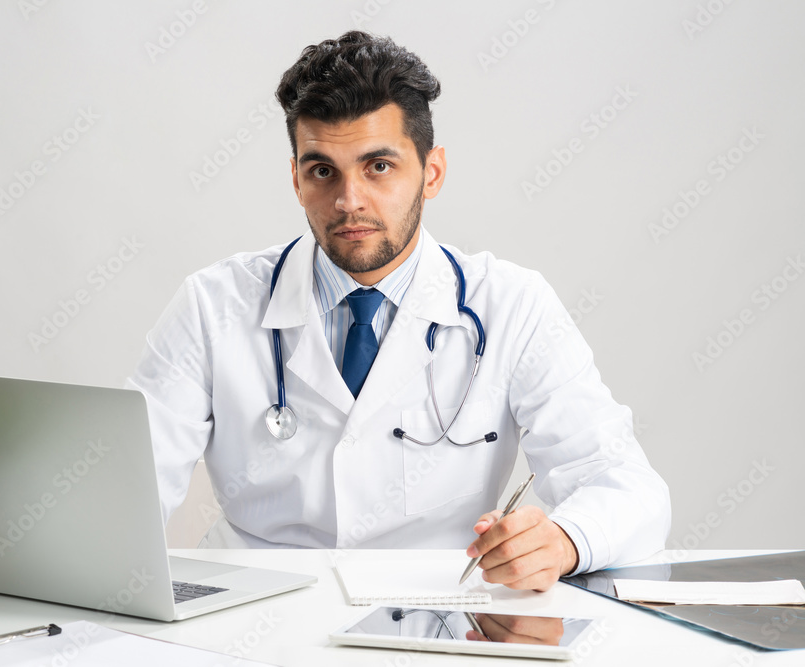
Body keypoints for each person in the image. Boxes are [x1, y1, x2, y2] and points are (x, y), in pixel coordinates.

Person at [127, 30, 670, 592]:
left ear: (430, 172)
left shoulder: (512, 306)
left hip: (435, 616)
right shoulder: (212, 304)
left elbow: (628, 487)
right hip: (249, 610)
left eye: (378, 166)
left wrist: (562, 540)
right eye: (322, 170)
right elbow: (125, 492)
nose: (349, 201)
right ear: (295, 177)